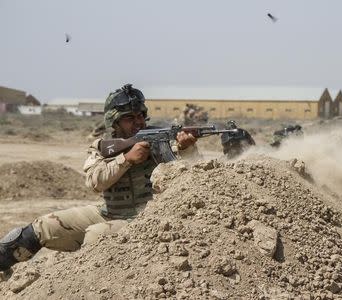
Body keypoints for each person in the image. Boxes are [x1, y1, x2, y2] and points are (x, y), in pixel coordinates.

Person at [0, 84, 197, 272]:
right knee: (41, 228)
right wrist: (126, 159)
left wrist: (186, 148)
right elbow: (95, 183)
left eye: (140, 116)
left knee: (97, 236)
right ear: (115, 121)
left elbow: (191, 176)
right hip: (110, 212)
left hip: (148, 220)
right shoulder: (104, 147)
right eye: (129, 117)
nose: (138, 122)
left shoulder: (163, 140)